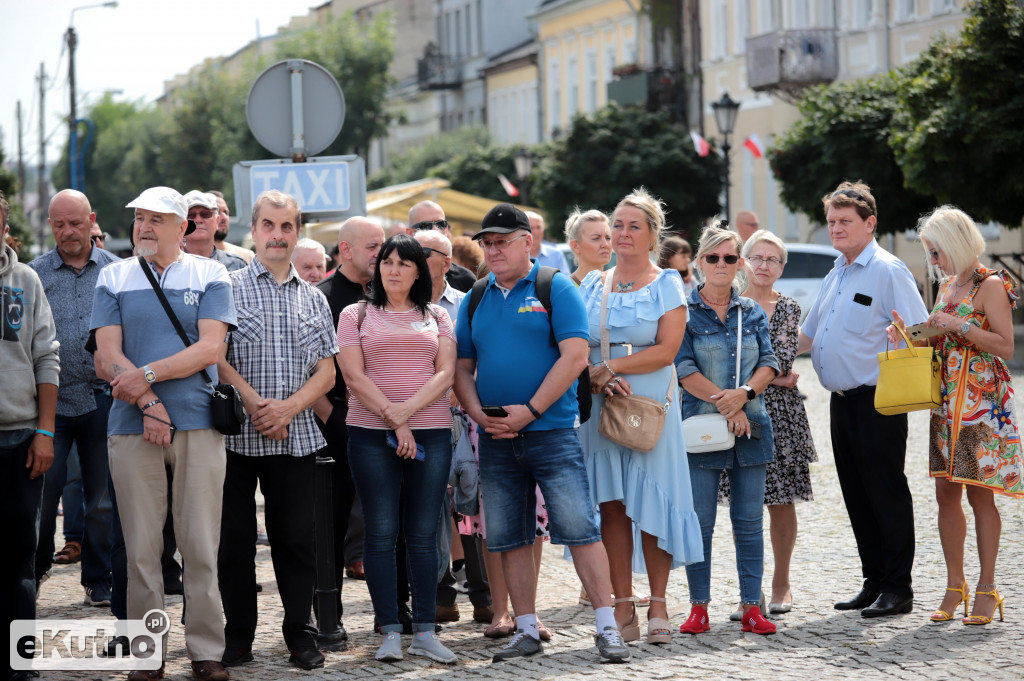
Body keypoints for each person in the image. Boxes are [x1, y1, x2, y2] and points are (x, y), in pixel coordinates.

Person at [453, 202, 630, 664]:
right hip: (496, 436)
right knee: (509, 535)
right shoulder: (476, 295)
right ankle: (526, 627)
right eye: (486, 243)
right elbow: (462, 367)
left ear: (526, 242)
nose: (492, 250)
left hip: (550, 432)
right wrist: (479, 415)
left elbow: (574, 358)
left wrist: (528, 412)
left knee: (580, 530)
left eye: (501, 242)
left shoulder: (555, 286)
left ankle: (607, 628)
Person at [92, 186, 236, 681]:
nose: (145, 227)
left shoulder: (212, 273)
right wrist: (150, 402)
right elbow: (106, 356)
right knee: (140, 549)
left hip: (198, 424)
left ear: (184, 227)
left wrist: (146, 375)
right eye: (138, 219)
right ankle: (146, 654)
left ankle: (206, 652)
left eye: (156, 219)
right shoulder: (113, 276)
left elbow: (209, 350)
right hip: (132, 426)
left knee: (199, 545)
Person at [216, 190, 336, 670]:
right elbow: (215, 356)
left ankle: (299, 635)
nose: (278, 235)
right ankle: (238, 636)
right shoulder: (226, 288)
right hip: (235, 440)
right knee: (234, 544)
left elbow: (327, 373)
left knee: (296, 541)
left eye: (287, 227)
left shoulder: (314, 297)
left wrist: (286, 410)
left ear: (297, 232)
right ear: (254, 228)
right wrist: (256, 404)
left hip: (296, 438)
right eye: (269, 225)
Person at [797, 181, 928, 618]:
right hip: (841, 401)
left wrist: (902, 336)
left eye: (845, 221)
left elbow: (921, 330)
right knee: (856, 493)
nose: (835, 227)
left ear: (870, 224)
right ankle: (873, 582)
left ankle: (898, 588)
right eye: (832, 221)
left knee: (886, 492)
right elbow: (807, 335)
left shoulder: (888, 270)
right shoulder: (837, 270)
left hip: (878, 400)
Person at [887, 206, 1024, 625]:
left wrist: (956, 325)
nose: (932, 259)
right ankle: (954, 585)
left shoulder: (991, 284)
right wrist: (908, 336)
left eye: (935, 250)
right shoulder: (947, 285)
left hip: (982, 405)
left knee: (979, 492)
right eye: (929, 251)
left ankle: (987, 588)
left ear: (956, 244)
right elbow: (939, 339)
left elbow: (1005, 346)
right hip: (947, 404)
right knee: (945, 493)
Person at [580, 189, 703, 644]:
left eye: (635, 225)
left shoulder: (667, 281)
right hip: (600, 399)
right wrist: (599, 373)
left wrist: (614, 367)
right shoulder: (594, 283)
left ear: (653, 234)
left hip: (648, 400)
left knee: (652, 503)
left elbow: (668, 349)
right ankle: (622, 604)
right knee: (611, 506)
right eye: (618, 225)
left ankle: (659, 604)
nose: (624, 232)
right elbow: (578, 342)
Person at [337, 234, 459, 664]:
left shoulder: (438, 316)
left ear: (418, 271)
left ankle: (425, 630)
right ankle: (390, 628)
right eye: (386, 261)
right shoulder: (355, 314)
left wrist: (404, 417)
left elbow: (445, 375)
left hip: (430, 433)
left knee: (424, 534)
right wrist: (395, 420)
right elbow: (353, 375)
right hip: (370, 435)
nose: (393, 269)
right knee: (382, 531)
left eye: (404, 263)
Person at [675, 224, 779, 636]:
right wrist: (728, 403)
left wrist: (745, 395)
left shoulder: (751, 311)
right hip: (702, 428)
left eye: (730, 258)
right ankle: (699, 608)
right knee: (701, 522)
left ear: (740, 264)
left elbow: (769, 363)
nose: (721, 264)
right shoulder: (683, 312)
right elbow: (684, 370)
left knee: (749, 522)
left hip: (751, 426)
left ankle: (752, 607)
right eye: (713, 257)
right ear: (700, 262)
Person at [718, 230, 817, 616]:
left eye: (772, 260)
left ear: (782, 267)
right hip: (740, 413)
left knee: (781, 501)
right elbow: (725, 363)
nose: (764, 265)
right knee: (745, 504)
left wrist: (771, 374)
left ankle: (782, 582)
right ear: (743, 261)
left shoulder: (790, 308)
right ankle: (750, 590)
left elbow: (786, 361)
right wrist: (771, 376)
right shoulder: (728, 305)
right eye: (756, 257)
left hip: (783, 416)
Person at [30, 189, 119, 607]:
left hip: (103, 400)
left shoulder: (118, 272)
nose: (68, 232)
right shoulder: (35, 275)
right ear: (50, 225)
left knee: (102, 498)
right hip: (50, 404)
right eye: (59, 224)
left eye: (76, 223)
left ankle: (98, 578)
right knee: (43, 496)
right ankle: (31, 573)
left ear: (92, 220)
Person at [413, 229, 494, 627]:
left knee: (471, 504)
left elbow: (478, 359)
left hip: (464, 418)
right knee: (429, 509)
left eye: (423, 252)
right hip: (416, 420)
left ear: (447, 262)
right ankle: (440, 596)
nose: (412, 257)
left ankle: (484, 596)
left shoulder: (469, 303)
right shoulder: (399, 306)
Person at [312, 216, 385, 637]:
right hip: (336, 423)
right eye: (373, 246)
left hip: (385, 420)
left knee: (385, 522)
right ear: (345, 250)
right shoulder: (322, 296)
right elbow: (307, 366)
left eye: (382, 245)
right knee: (331, 524)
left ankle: (390, 611)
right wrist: (332, 418)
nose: (381, 254)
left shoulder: (389, 292)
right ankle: (327, 616)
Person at [0, 190, 59, 681]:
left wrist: (45, 430)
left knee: (20, 554)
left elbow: (46, 357)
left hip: (20, 437)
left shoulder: (26, 280)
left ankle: (21, 659)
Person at [407, 200, 475, 292]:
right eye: (426, 225)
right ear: (410, 233)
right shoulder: (398, 275)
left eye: (440, 224)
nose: (435, 229)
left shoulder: (465, 279)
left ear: (446, 230)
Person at [183, 190, 247, 272]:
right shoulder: (167, 265)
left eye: (205, 214)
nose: (198, 220)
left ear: (217, 221)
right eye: (191, 215)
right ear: (181, 224)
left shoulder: (237, 266)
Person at [564, 208, 611, 286]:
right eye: (596, 238)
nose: (605, 244)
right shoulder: (565, 288)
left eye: (608, 238)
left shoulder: (617, 286)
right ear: (576, 246)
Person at [209, 190, 254, 264]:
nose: (223, 217)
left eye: (225, 212)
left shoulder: (246, 257)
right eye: (216, 212)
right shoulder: (190, 258)